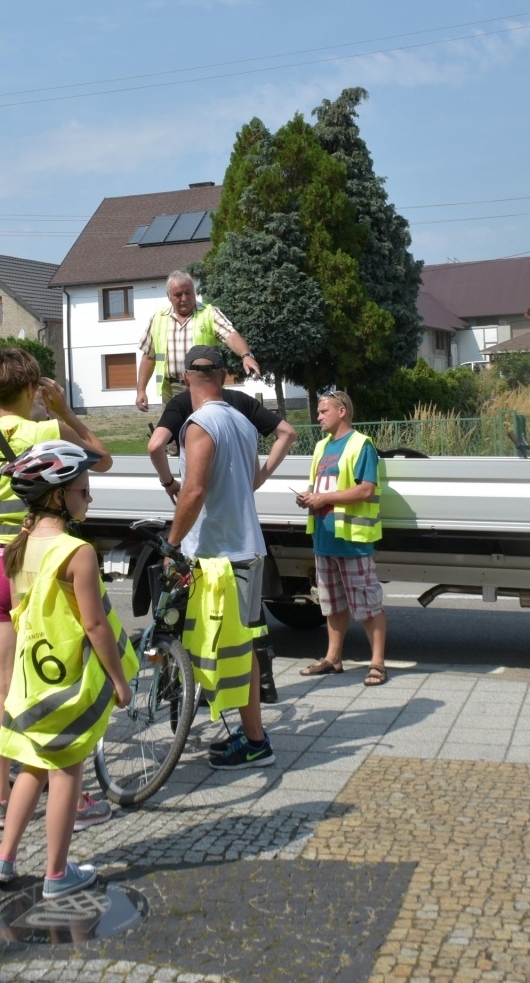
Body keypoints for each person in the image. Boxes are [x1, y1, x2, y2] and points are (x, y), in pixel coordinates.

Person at [0, 347, 111, 832]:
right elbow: (101, 460)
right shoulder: (44, 431)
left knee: (4, 683)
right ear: (32, 388)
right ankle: (71, 788)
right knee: (53, 678)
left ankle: (0, 800)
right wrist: (64, 410)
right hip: (34, 562)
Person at [0, 441, 135, 900]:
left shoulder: (19, 546)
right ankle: (55, 873)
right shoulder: (78, 552)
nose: (89, 499)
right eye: (84, 491)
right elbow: (94, 625)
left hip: (31, 679)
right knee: (67, 768)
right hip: (65, 679)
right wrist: (120, 680)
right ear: (58, 495)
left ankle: (4, 857)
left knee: (32, 764)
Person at [167, 345, 274, 769]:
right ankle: (251, 736)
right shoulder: (244, 423)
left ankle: (254, 740)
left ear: (185, 377)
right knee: (242, 648)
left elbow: (192, 490)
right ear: (226, 376)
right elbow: (249, 480)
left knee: (207, 641)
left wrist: (172, 543)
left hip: (216, 554)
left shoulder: (199, 424)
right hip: (247, 546)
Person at [296, 389, 390, 686]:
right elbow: (322, 488)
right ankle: (333, 658)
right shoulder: (322, 446)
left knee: (368, 605)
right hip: (324, 540)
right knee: (331, 604)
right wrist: (309, 498)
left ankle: (377, 663)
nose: (318, 416)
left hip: (353, 542)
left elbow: (366, 489)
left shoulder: (362, 445)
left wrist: (323, 499)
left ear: (342, 411)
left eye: (324, 411)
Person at [134, 270, 262, 412]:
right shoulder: (158, 318)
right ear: (168, 296)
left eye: (188, 293)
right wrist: (141, 390)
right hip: (171, 389)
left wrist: (246, 355)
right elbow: (148, 357)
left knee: (205, 429)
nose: (184, 298)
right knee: (173, 431)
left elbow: (231, 335)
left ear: (194, 292)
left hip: (205, 386)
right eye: (178, 295)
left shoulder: (209, 313)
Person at [148, 387, 296, 502]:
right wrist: (260, 478)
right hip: (240, 503)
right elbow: (287, 433)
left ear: (186, 378)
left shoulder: (181, 402)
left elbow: (155, 445)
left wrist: (169, 483)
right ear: (223, 375)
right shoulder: (242, 400)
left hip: (199, 506)